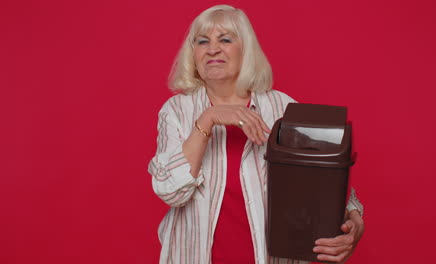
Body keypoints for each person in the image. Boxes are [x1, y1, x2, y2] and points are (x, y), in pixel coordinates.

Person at [148, 5, 364, 264]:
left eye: (225, 39)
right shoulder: (177, 111)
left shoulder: (282, 108)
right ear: (193, 54)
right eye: (202, 41)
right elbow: (170, 191)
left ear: (246, 50)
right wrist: (209, 118)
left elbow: (326, 180)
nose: (212, 49)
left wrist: (354, 221)